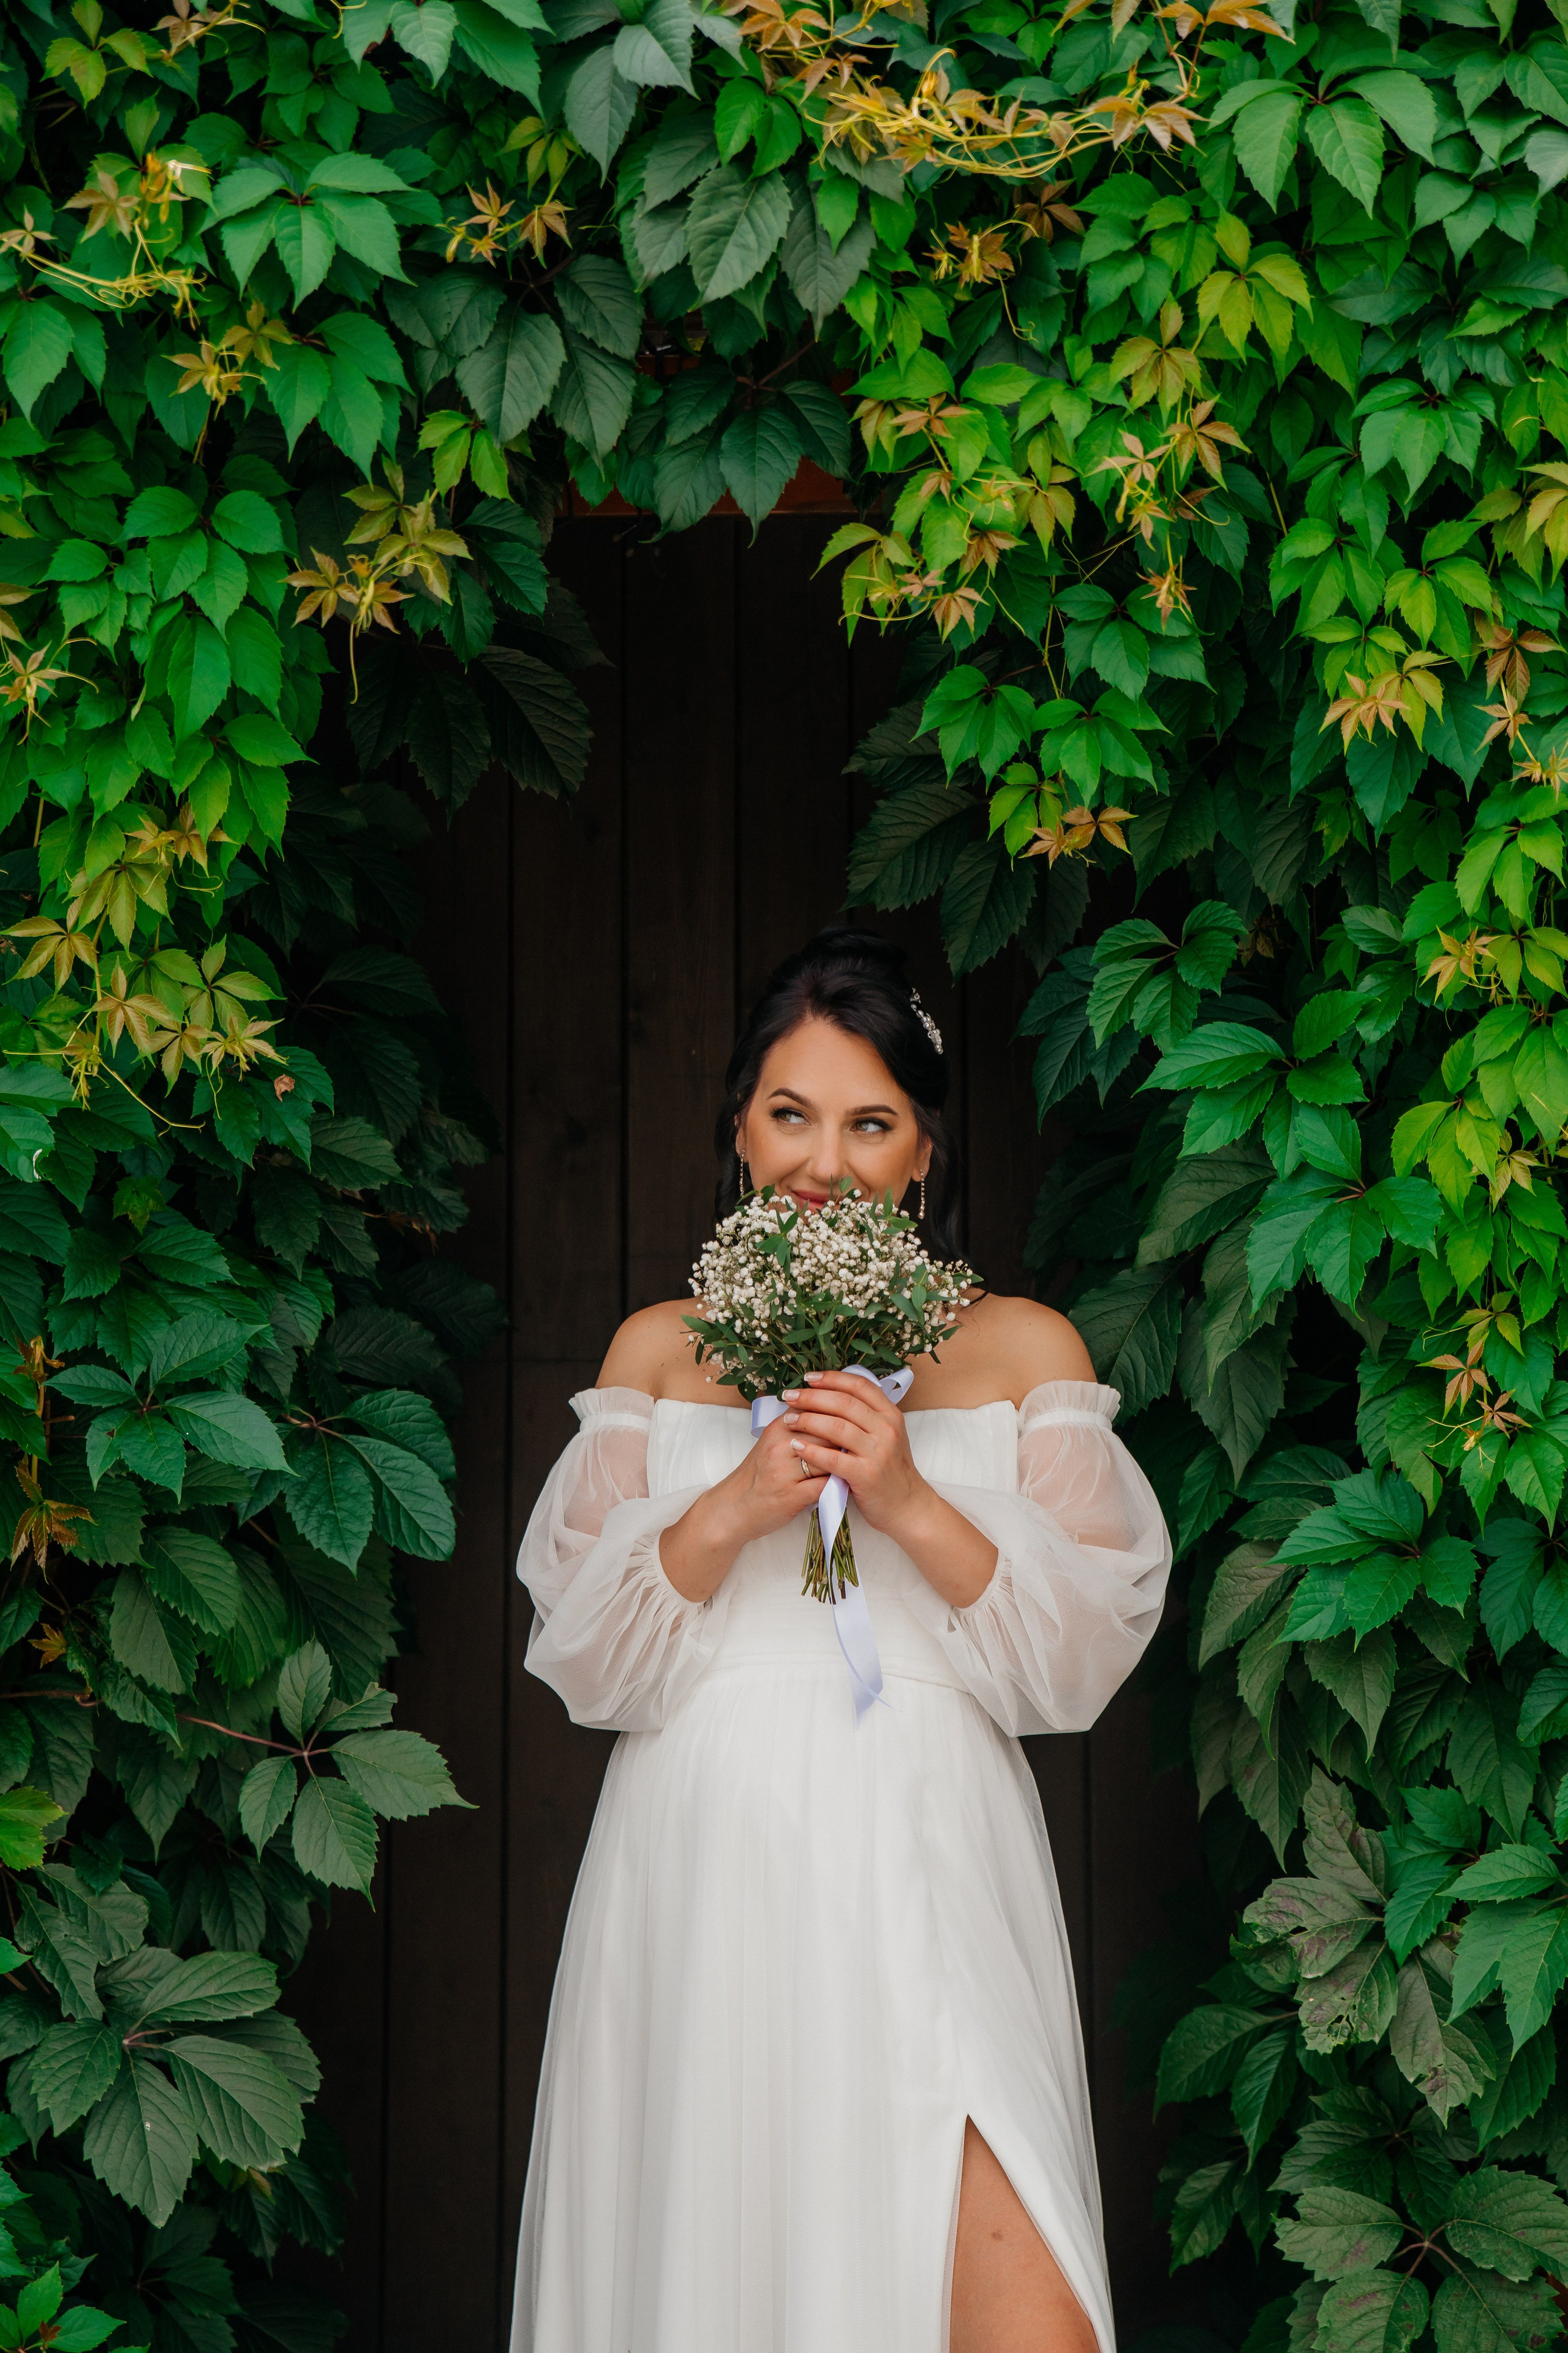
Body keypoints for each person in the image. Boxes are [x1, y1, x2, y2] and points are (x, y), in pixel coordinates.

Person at [509, 927, 1173, 2353]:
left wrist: (905, 1492)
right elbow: (589, 1659)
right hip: (705, 1854)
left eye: (870, 1122)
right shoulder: (653, 1351)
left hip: (933, 1846)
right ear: (739, 1129)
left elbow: (1074, 1661)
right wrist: (741, 1501)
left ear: (922, 1150)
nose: (825, 1161)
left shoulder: (1023, 1351)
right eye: (791, 1114)